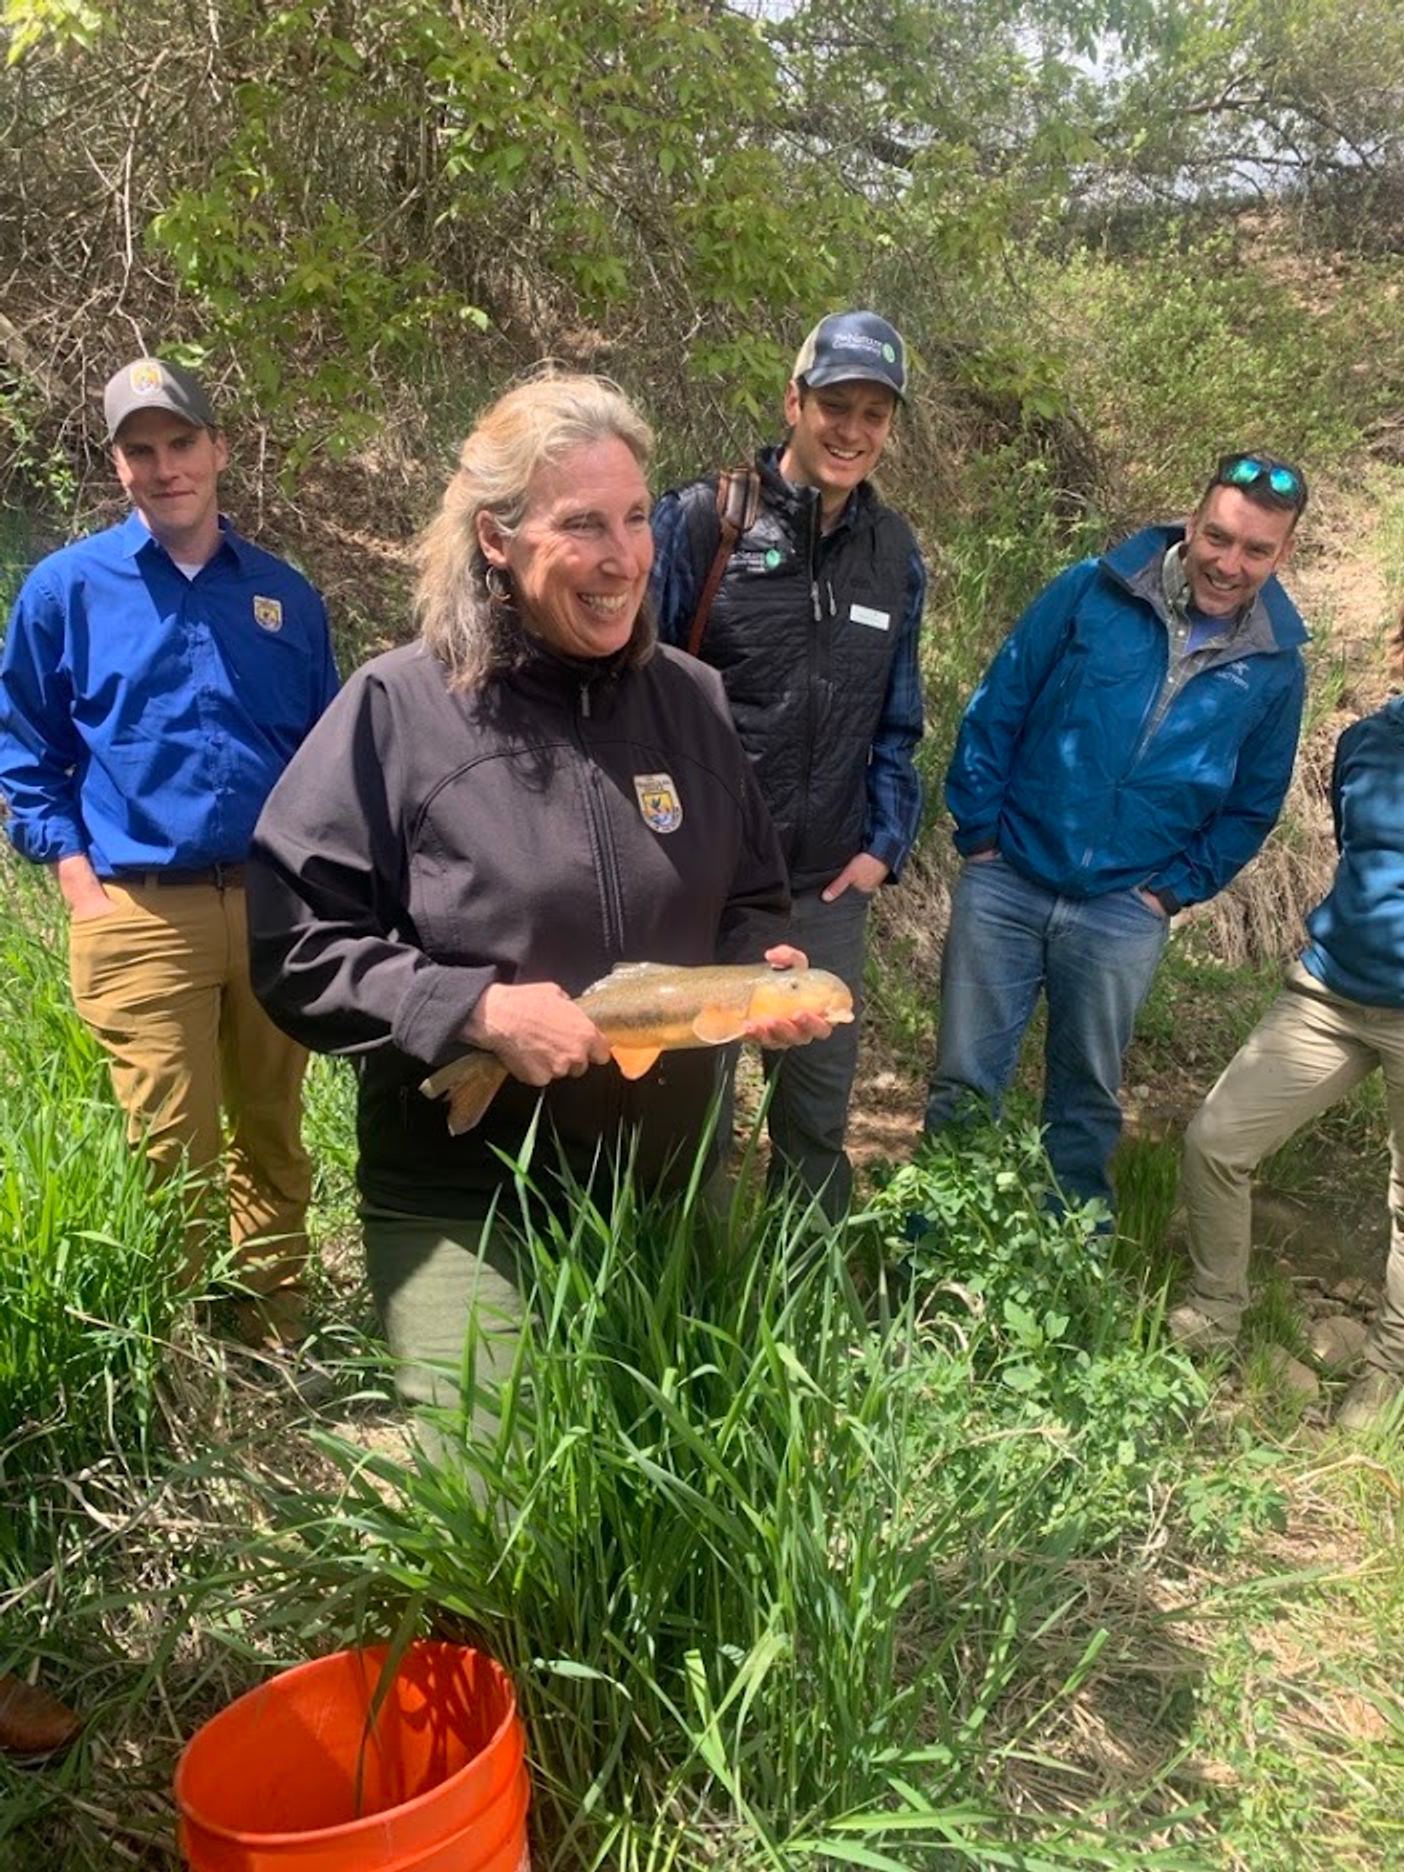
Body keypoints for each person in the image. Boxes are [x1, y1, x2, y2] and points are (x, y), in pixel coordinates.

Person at [245, 372, 833, 1428]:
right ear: (496, 539)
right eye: (582, 525)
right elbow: (296, 943)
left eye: (636, 518)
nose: (625, 558)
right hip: (468, 1198)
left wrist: (764, 970)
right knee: (491, 1478)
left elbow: (751, 895)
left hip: (667, 1190)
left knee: (674, 1471)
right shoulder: (400, 708)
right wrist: (471, 1010)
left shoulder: (693, 702)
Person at [0, 358, 339, 1347]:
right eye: (141, 450)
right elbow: (24, 748)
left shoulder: (284, 596)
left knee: (273, 1132)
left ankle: (273, 1335)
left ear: (218, 449)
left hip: (275, 909)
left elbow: (328, 756)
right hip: (139, 910)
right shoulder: (67, 591)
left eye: (181, 443)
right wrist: (76, 880)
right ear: (119, 466)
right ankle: (177, 1355)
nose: (165, 467)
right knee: (170, 1149)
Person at [925, 452, 1311, 1213]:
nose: (1229, 564)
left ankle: (1067, 1264)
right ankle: (933, 1255)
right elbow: (1000, 702)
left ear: (1283, 553)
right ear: (1192, 522)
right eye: (1218, 537)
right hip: (1007, 879)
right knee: (964, 1083)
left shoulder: (1276, 668)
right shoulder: (1090, 591)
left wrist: (1169, 892)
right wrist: (981, 835)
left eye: (1255, 549)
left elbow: (1252, 804)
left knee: (1086, 1102)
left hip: (1122, 912)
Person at [649, 310, 926, 1219]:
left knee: (814, 1119)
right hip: (701, 885)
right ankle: (686, 1277)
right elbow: (632, 693)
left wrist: (884, 843)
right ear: (794, 401)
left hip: (826, 890)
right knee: (686, 1118)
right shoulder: (704, 521)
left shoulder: (894, 555)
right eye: (835, 406)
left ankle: (804, 1281)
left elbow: (897, 718)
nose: (852, 431)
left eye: (874, 414)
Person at [1176, 623, 1404, 1431]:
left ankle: (1387, 1369)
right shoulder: (1365, 742)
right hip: (1330, 992)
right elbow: (1358, 855)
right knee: (1214, 1142)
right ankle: (1213, 1316)